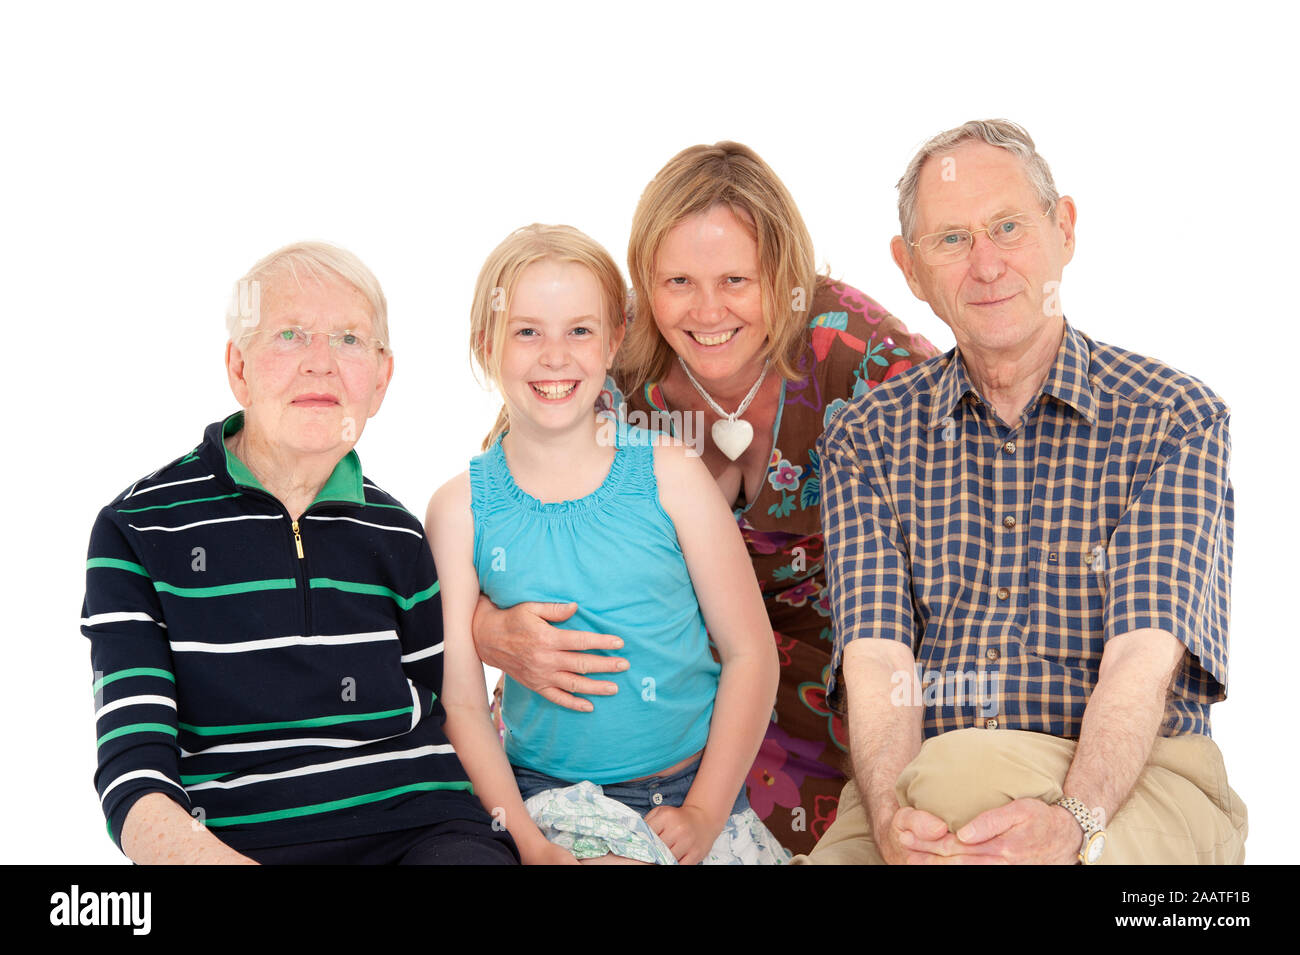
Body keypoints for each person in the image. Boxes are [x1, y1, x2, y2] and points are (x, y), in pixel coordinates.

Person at [470, 143, 937, 854]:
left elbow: (978, 491)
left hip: (833, 669)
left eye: (736, 279)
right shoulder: (606, 355)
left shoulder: (859, 353)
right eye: (678, 280)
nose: (707, 309)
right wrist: (487, 628)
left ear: (782, 277)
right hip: (646, 669)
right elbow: (502, 497)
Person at [805, 119, 1248, 864]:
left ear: (1063, 229)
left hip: (1140, 778)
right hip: (925, 784)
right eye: (951, 240)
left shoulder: (1173, 417)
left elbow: (1142, 654)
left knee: (961, 775)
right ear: (909, 268)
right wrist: (887, 820)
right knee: (942, 784)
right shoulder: (867, 438)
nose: (986, 265)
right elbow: (880, 662)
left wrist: (1076, 821)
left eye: (1007, 227)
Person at [81, 241, 517, 864]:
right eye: (290, 335)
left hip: (425, 831)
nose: (321, 364)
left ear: (382, 378)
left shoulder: (398, 533)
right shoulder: (137, 530)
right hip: (238, 844)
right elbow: (133, 780)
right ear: (239, 368)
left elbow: (445, 710)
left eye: (348, 340)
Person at [427, 224, 786, 864]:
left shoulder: (672, 472)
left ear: (614, 339)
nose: (554, 355)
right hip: (549, 799)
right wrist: (528, 841)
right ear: (487, 343)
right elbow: (458, 697)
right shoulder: (459, 510)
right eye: (527, 330)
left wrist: (704, 811)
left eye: (580, 330)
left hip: (692, 792)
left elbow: (749, 652)